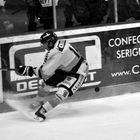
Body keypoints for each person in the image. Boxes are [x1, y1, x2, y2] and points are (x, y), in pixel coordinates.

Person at [17, 30, 89, 122]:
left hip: (79, 72)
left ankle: (41, 112)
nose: (42, 45)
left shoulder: (56, 53)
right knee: (46, 84)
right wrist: (30, 70)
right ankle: (38, 101)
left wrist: (28, 70)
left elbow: (44, 73)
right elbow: (49, 69)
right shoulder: (59, 44)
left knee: (61, 94)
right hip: (65, 68)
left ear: (50, 43)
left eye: (44, 43)